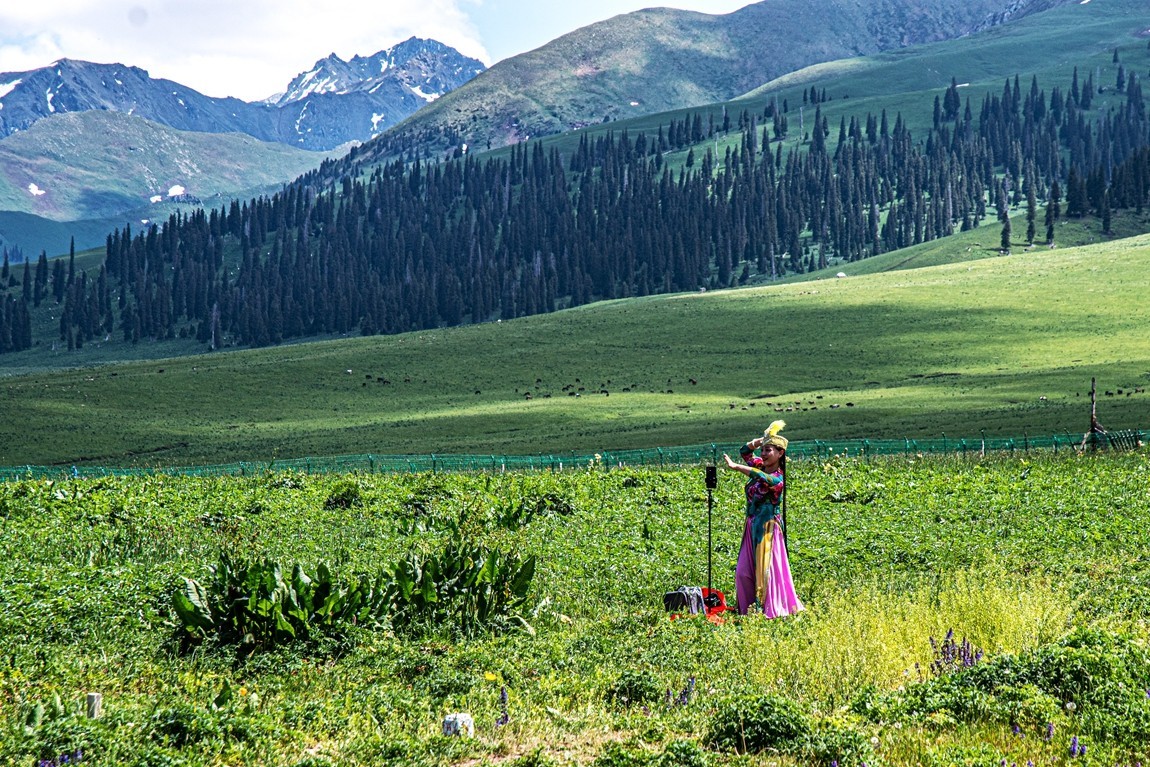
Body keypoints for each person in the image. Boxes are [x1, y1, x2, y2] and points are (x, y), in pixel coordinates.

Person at [723, 420, 804, 618]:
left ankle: (766, 610)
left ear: (780, 453)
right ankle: (747, 609)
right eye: (764, 450)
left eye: (769, 450)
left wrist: (736, 467)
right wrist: (759, 442)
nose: (764, 454)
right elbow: (745, 452)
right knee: (743, 572)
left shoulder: (777, 478)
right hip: (752, 525)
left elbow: (761, 477)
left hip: (767, 528)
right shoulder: (760, 463)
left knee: (765, 571)